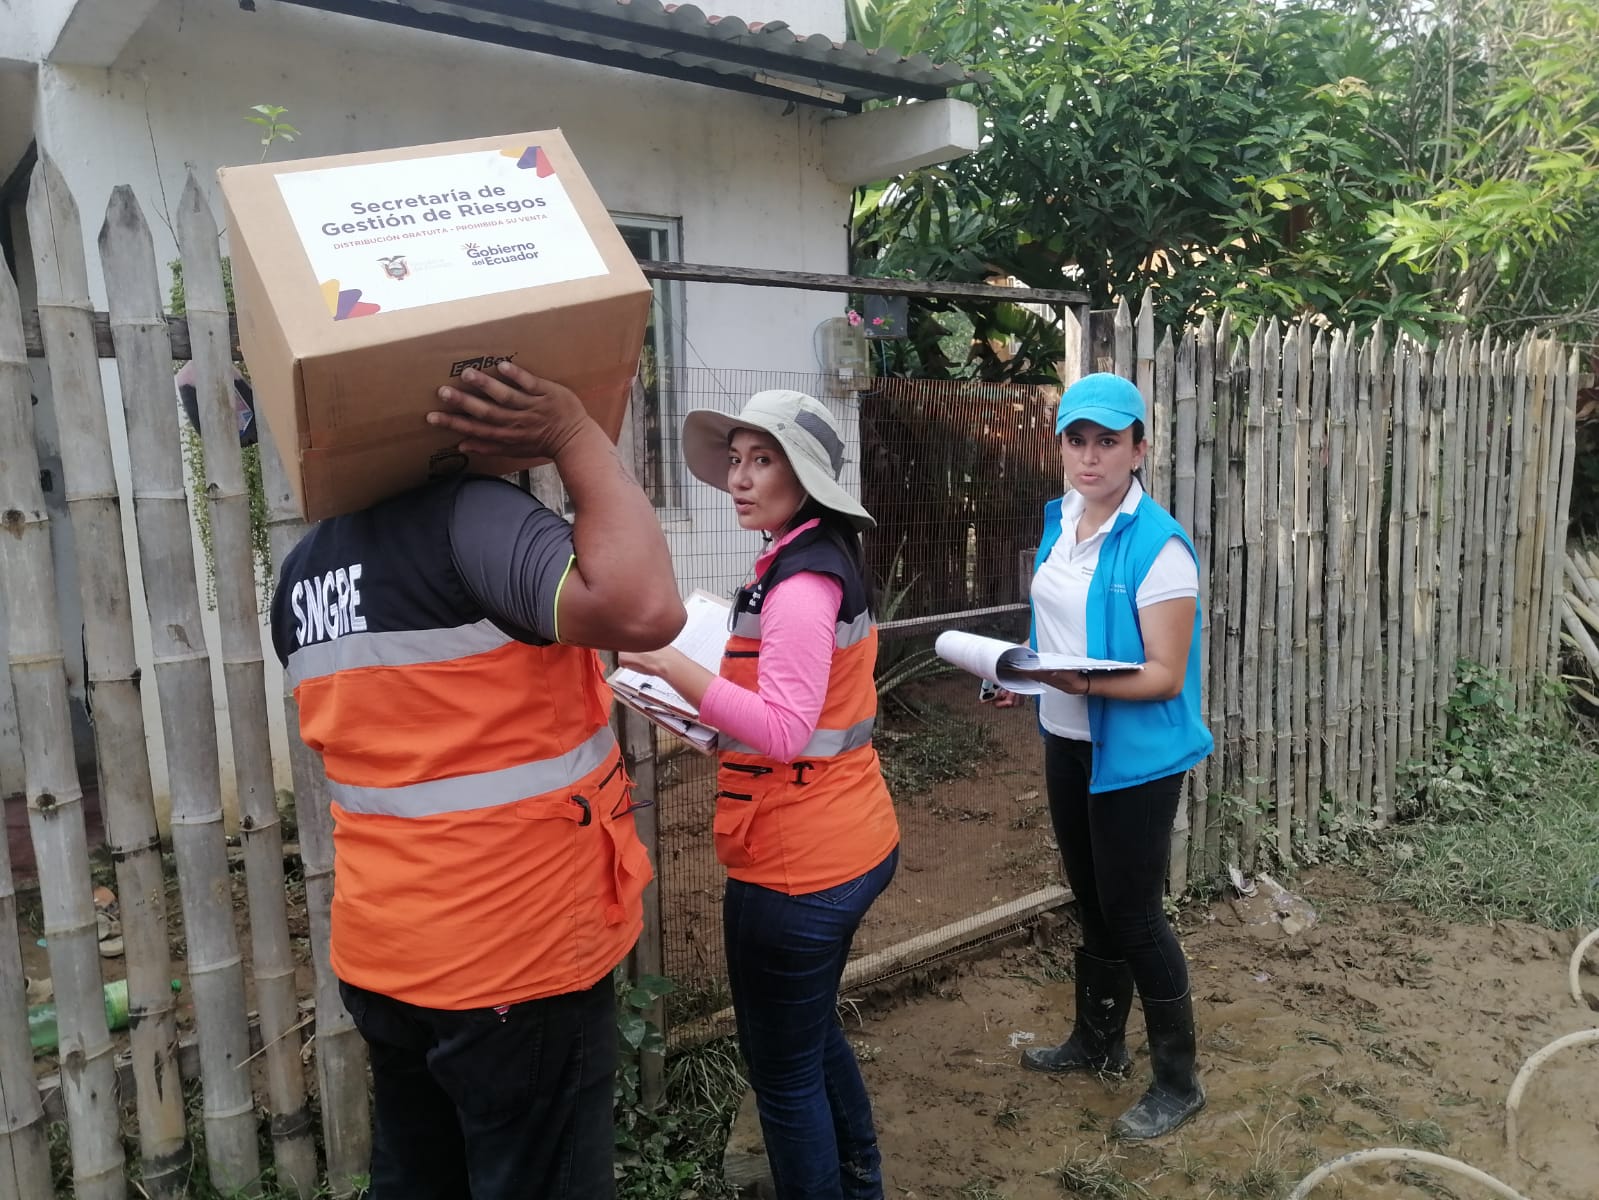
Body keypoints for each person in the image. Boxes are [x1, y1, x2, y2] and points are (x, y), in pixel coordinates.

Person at [269, 362, 685, 1200]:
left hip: (386, 951)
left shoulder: (305, 571)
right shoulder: (472, 518)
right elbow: (644, 610)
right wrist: (573, 434)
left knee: (420, 1177)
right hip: (511, 955)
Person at [617, 391, 901, 1200]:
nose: (739, 478)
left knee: (781, 1076)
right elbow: (799, 721)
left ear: (804, 479)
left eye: (762, 460)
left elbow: (779, 730)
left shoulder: (802, 586)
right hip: (844, 837)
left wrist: (671, 665)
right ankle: (859, 1179)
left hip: (797, 867)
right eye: (736, 459)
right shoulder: (811, 557)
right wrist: (702, 711)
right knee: (808, 1040)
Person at [1006, 372, 1213, 1140]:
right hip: (1068, 739)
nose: (1089, 457)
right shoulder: (1059, 519)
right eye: (1076, 440)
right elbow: (1056, 626)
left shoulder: (1159, 547)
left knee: (1133, 915)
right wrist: (1023, 674)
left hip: (1136, 757)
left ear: (1137, 449)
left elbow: (1162, 673)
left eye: (1107, 441)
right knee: (1089, 900)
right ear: (1061, 445)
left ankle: (1177, 1082)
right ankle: (1096, 1044)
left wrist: (1071, 676)